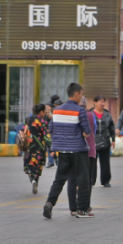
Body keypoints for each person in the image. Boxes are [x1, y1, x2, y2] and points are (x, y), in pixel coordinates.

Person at [43, 83, 96, 219]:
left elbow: (52, 129)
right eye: (82, 94)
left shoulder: (57, 111)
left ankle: (49, 203)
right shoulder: (80, 110)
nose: (82, 97)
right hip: (78, 150)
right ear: (77, 94)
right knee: (83, 179)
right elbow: (87, 131)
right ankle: (82, 210)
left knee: (59, 179)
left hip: (64, 151)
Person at [22, 104, 49, 194]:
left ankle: (32, 180)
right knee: (37, 166)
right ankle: (35, 181)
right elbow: (46, 136)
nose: (45, 113)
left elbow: (24, 132)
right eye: (45, 111)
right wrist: (51, 146)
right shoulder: (43, 121)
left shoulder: (28, 119)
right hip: (39, 148)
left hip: (29, 147)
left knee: (29, 165)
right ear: (41, 112)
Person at [90, 96, 116, 187]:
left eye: (103, 102)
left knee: (105, 162)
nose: (102, 104)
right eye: (100, 102)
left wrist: (113, 140)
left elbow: (112, 127)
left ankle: (105, 180)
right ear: (95, 102)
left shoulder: (107, 114)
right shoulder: (90, 114)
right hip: (93, 141)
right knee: (92, 162)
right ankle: (91, 180)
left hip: (105, 140)